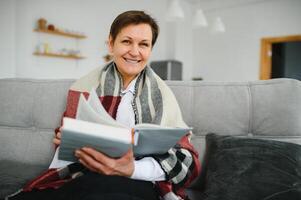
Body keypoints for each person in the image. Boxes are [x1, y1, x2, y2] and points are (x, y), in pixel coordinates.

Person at [6, 10, 200, 200]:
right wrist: (67, 137)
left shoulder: (163, 96)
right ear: (111, 44)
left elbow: (187, 160)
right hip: (86, 175)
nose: (135, 51)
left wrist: (132, 169)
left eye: (144, 44)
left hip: (139, 182)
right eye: (126, 41)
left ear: (150, 50)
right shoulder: (84, 87)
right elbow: (68, 146)